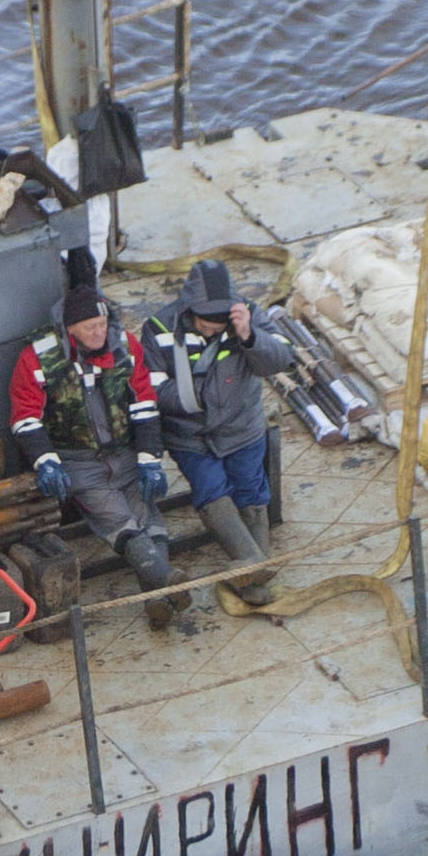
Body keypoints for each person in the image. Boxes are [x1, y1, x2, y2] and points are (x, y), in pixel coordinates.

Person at [5, 251, 193, 629]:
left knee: (148, 514)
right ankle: (165, 582)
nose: (100, 333)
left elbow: (143, 402)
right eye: (90, 327)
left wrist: (149, 458)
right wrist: (46, 461)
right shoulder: (38, 359)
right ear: (69, 329)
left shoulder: (123, 346)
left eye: (103, 323)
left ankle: (158, 594)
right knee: (116, 518)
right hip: (79, 462)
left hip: (123, 453)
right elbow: (26, 415)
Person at [154, 256, 298, 610]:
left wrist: (250, 335)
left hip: (242, 428)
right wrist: (198, 400)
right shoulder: (159, 326)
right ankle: (257, 567)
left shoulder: (249, 315)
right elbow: (153, 386)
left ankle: (251, 576)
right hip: (190, 435)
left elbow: (280, 360)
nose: (212, 329)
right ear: (190, 310)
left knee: (251, 490)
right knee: (210, 490)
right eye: (205, 321)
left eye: (219, 322)